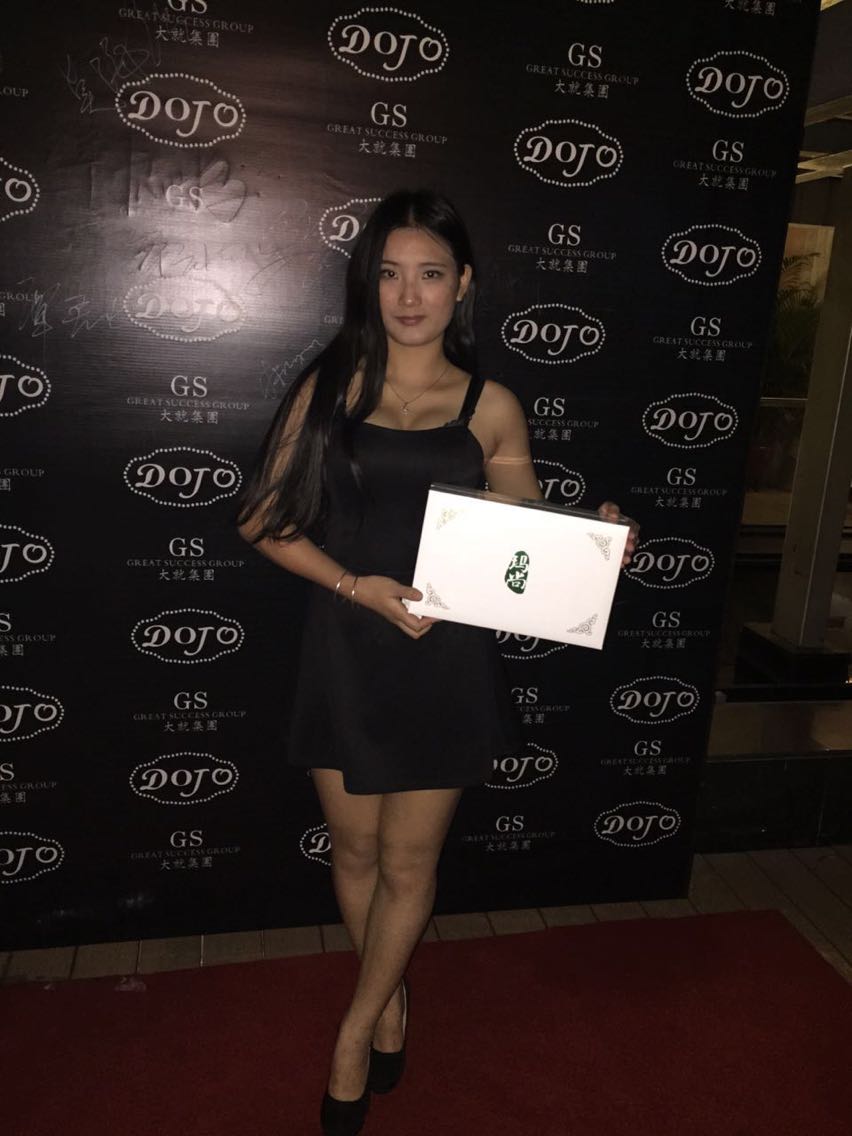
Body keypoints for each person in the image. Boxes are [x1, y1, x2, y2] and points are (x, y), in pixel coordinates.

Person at [237, 188, 638, 1135]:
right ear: (368, 284)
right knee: (355, 851)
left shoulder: (491, 406)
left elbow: (524, 532)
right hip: (347, 646)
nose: (408, 295)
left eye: (429, 274)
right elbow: (261, 522)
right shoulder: (329, 387)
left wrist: (594, 540)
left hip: (445, 659)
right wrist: (356, 587)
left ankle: (353, 1032)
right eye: (389, 274)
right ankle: (391, 1000)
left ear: (463, 285)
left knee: (409, 861)